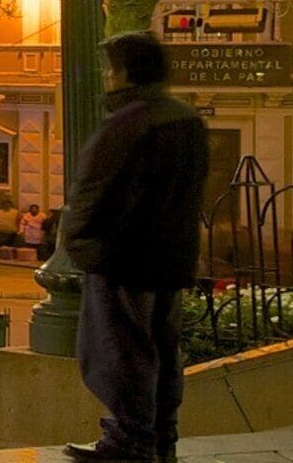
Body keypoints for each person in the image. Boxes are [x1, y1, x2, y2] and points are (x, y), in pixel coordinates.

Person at [61, 31, 211, 463]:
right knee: (163, 351)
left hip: (123, 259)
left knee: (121, 353)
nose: (107, 76)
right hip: (171, 258)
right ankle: (162, 440)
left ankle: (130, 442)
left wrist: (79, 244)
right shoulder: (186, 119)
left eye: (112, 67)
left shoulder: (128, 124)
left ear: (126, 71)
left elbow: (92, 193)